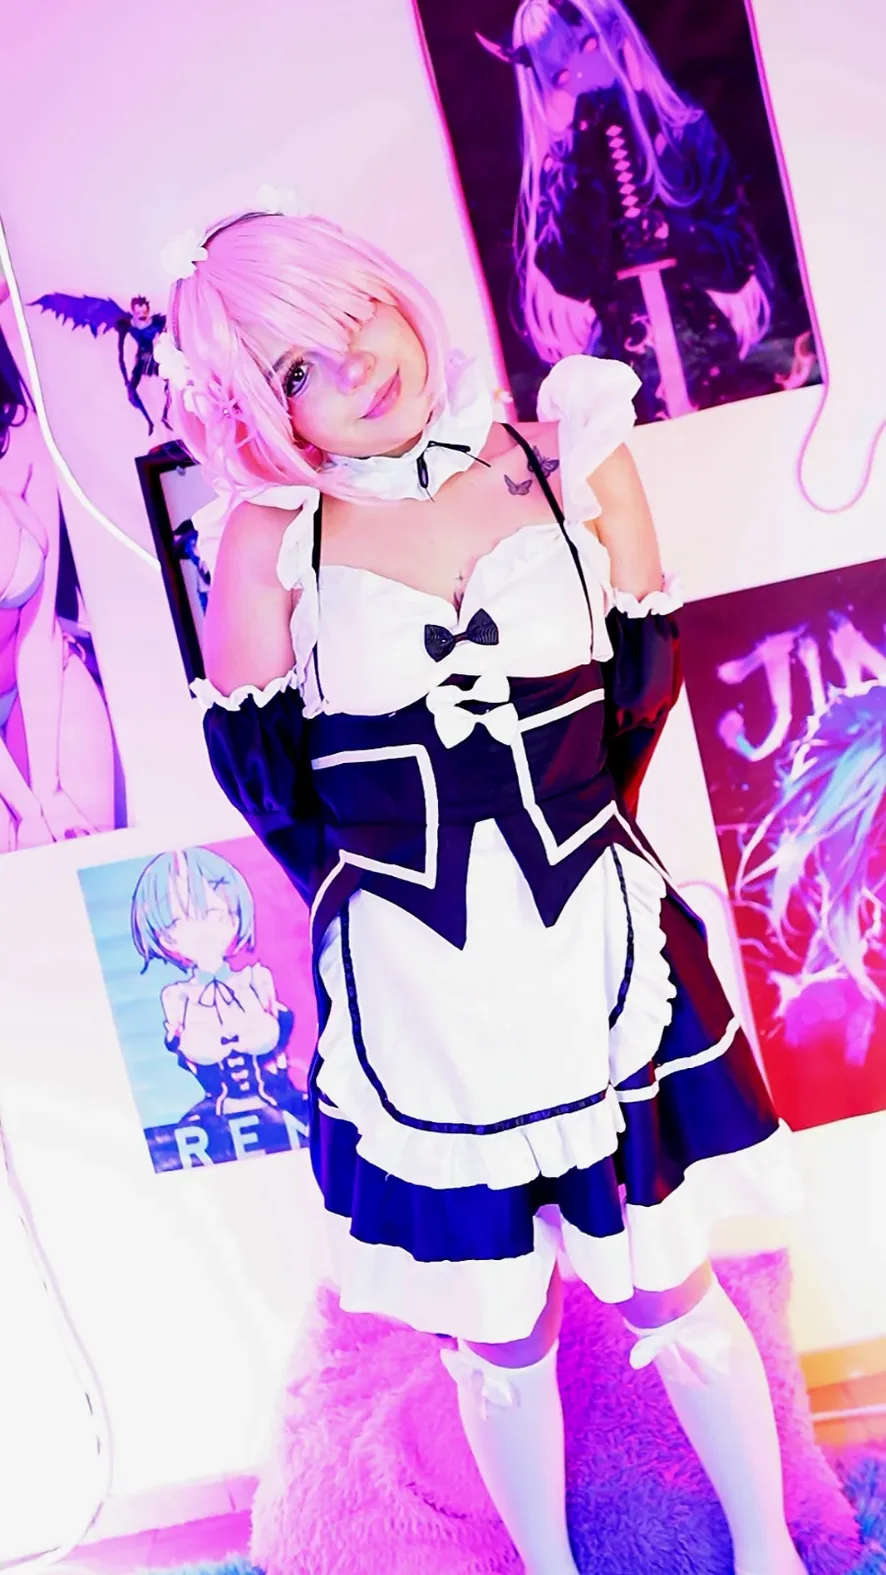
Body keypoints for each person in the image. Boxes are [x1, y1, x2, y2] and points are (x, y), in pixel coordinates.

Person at [161, 207, 804, 1575]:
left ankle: (773, 1556)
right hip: (421, 992)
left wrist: (573, 862)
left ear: (393, 291)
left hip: (592, 945)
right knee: (499, 1332)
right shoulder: (272, 541)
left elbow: (638, 695)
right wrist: (399, 921)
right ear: (260, 411)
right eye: (293, 368)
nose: (351, 363)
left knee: (670, 1287)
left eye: (350, 314)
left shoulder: (569, 448)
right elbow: (270, 786)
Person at [477, 0, 779, 421]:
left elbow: (734, 258)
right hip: (622, 362)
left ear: (617, 38)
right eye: (562, 74)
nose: (582, 76)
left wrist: (676, 234)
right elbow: (569, 274)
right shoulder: (560, 171)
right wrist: (580, 163)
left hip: (704, 344)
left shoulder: (682, 133)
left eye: (589, 47)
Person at [0, 284, 118, 852]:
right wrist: (26, 808)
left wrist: (47, 793)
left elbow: (38, 633)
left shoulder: (19, 439)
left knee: (84, 840)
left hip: (40, 680)